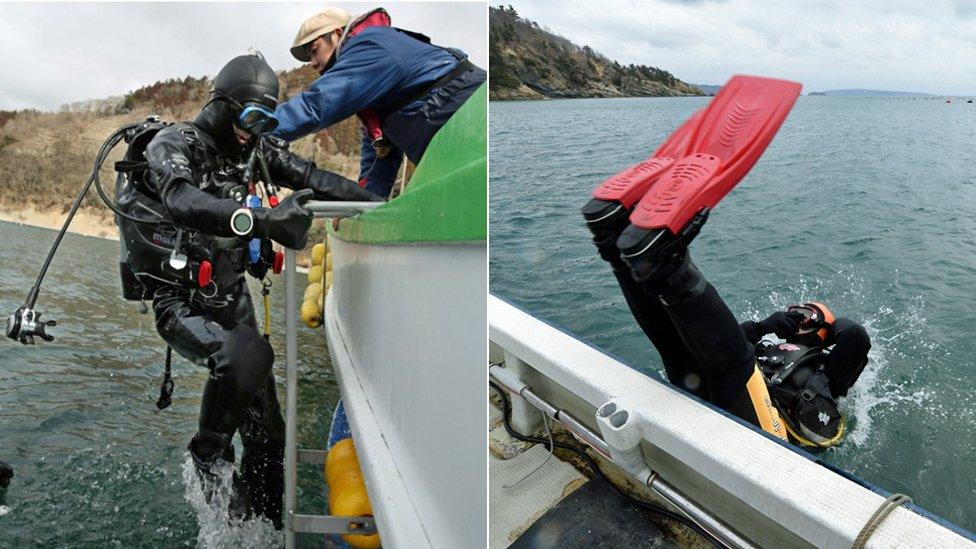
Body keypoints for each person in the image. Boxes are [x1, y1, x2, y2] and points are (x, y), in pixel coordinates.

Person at [119, 52, 383, 528]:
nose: (253, 129)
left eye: (266, 120)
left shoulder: (255, 150)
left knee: (269, 435)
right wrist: (262, 220)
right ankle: (207, 454)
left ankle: (263, 524)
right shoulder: (173, 143)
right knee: (247, 355)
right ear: (220, 104)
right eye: (248, 116)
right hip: (181, 300)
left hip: (231, 292)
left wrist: (381, 207)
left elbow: (311, 178)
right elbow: (181, 198)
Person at [273, 6, 487, 198]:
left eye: (314, 50)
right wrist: (360, 203)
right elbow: (382, 154)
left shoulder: (369, 47)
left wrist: (252, 129)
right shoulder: (372, 98)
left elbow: (317, 105)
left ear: (337, 35)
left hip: (471, 116)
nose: (312, 63)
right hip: (453, 137)